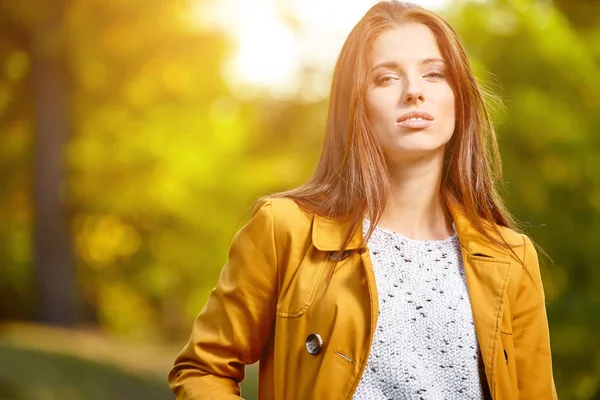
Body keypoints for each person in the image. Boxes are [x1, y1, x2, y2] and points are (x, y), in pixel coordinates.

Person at [168, 1, 557, 399]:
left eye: (434, 74)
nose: (414, 92)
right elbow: (203, 369)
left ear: (458, 96)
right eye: (387, 78)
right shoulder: (284, 229)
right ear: (356, 104)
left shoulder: (511, 257)